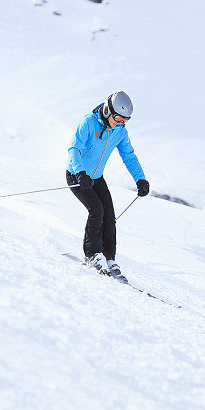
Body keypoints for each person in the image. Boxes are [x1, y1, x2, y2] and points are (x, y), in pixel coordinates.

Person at [66, 91, 149, 279]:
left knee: (109, 215)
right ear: (107, 110)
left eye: (125, 120)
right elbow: (74, 148)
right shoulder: (88, 122)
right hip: (76, 175)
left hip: (96, 177)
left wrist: (140, 178)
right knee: (96, 210)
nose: (120, 122)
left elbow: (128, 156)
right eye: (118, 118)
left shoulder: (119, 131)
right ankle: (93, 255)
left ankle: (109, 257)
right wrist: (80, 172)